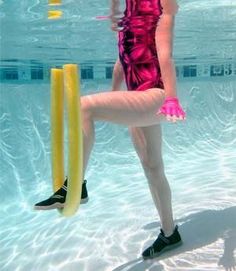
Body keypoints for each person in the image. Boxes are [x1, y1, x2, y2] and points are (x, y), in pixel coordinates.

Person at [34, 0, 185, 260]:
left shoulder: (161, 8)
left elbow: (166, 57)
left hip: (156, 96)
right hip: (138, 97)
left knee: (84, 107)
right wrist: (115, 97)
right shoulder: (128, 25)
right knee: (152, 167)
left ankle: (75, 187)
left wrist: (171, 97)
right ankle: (170, 234)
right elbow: (122, 64)